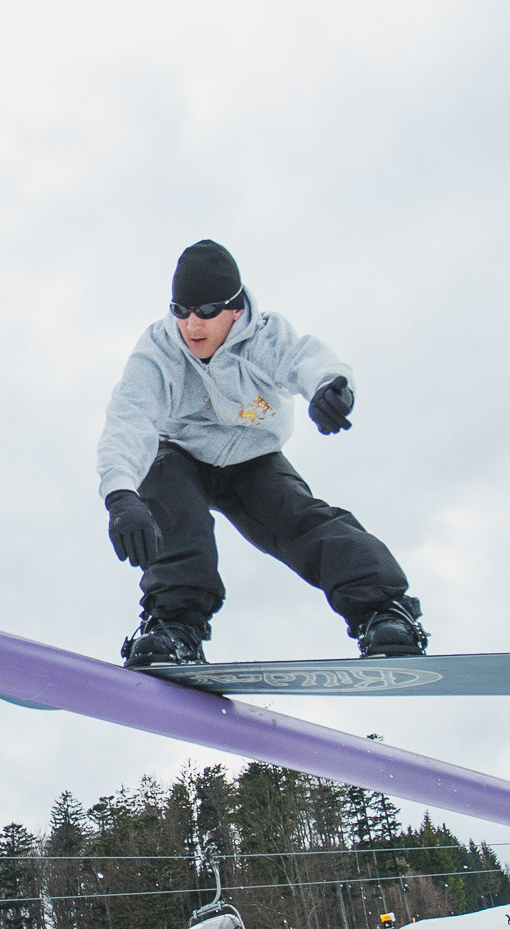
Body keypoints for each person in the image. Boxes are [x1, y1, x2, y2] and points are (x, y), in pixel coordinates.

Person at [97, 239, 425, 669]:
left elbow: (304, 359)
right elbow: (130, 417)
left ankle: (383, 612)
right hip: (178, 452)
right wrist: (121, 494)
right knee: (174, 510)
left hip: (253, 458)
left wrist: (329, 386)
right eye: (181, 311)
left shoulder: (265, 336)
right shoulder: (158, 350)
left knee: (299, 520)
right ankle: (174, 626)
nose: (192, 325)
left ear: (235, 309)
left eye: (207, 311)